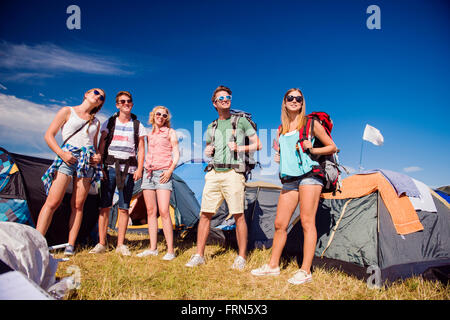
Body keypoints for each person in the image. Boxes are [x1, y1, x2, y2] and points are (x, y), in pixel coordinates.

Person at [251, 88, 336, 284]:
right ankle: (273, 266)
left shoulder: (310, 123)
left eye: (299, 98)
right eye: (290, 98)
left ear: (302, 102)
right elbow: (286, 152)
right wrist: (279, 155)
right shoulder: (282, 128)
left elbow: (332, 146)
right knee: (280, 224)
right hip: (289, 179)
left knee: (307, 222)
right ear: (284, 102)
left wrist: (313, 148)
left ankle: (305, 271)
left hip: (309, 176)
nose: (295, 101)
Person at [185, 85, 262, 270]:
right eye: (221, 98)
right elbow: (209, 148)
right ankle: (199, 255)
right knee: (205, 215)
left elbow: (257, 145)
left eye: (227, 97)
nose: (225, 99)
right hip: (213, 173)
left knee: (238, 215)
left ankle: (241, 257)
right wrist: (207, 150)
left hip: (234, 173)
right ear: (214, 103)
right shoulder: (211, 126)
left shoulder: (241, 121)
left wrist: (239, 148)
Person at [37, 88, 105, 255]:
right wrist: (62, 154)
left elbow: (94, 145)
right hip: (67, 157)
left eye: (102, 97)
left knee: (78, 205)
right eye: (96, 93)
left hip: (86, 161)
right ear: (86, 94)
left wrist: (97, 156)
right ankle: (37, 241)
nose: (99, 97)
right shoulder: (67, 111)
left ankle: (70, 245)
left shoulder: (95, 122)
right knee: (52, 202)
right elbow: (49, 135)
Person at [89, 91, 146, 256]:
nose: (126, 104)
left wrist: (140, 168)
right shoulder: (110, 122)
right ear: (117, 105)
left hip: (128, 169)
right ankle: (101, 243)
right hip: (109, 167)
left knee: (124, 207)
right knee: (104, 206)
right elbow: (102, 144)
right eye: (122, 101)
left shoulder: (138, 125)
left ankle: (121, 244)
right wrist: (100, 167)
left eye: (128, 101)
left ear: (132, 104)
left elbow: (141, 148)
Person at [136, 106, 180, 261]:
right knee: (150, 211)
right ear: (153, 115)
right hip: (148, 174)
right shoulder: (149, 134)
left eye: (164, 115)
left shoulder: (170, 132)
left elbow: (176, 153)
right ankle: (153, 248)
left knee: (164, 211)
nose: (161, 116)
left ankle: (170, 251)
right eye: (158, 114)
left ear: (167, 118)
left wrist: (170, 170)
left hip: (163, 173)